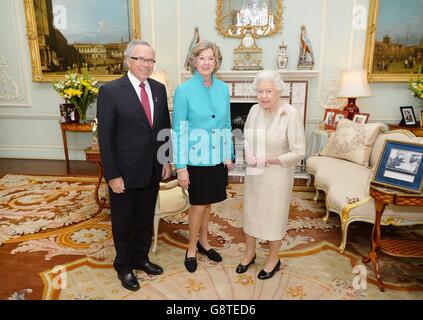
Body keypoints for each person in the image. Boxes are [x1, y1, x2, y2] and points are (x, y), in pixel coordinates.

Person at [97, 40, 171, 291]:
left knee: (143, 218)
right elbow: (105, 139)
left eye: (151, 60)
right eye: (141, 59)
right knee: (123, 222)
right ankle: (124, 266)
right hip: (124, 174)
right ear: (128, 60)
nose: (147, 64)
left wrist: (165, 160)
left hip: (151, 169)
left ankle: (141, 258)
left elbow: (163, 128)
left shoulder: (159, 89)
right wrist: (113, 175)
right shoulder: (110, 91)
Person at [236, 70, 306, 280]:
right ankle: (250, 253)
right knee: (251, 213)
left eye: (268, 91)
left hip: (277, 176)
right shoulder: (255, 110)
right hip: (255, 173)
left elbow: (299, 152)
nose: (263, 96)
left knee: (273, 217)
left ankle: (273, 259)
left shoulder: (290, 113)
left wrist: (267, 160)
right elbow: (246, 137)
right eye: (260, 91)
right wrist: (247, 150)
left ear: (278, 91)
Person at [172, 40, 234, 273]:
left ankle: (204, 242)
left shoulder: (222, 89)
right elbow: (178, 131)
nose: (207, 62)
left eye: (211, 58)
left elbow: (227, 123)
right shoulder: (184, 90)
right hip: (194, 159)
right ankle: (190, 247)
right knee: (197, 205)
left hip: (216, 158)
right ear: (194, 61)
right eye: (202, 58)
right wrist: (181, 167)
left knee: (208, 204)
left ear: (216, 62)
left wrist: (228, 153)